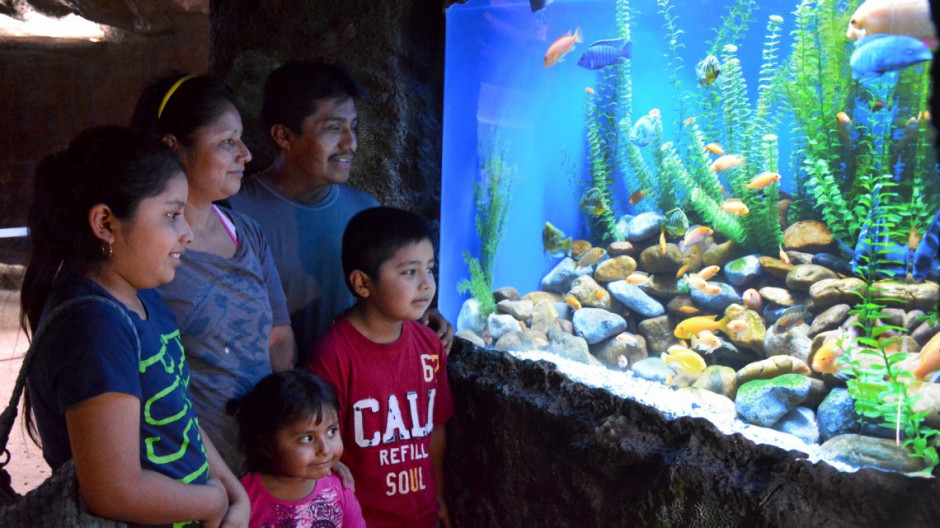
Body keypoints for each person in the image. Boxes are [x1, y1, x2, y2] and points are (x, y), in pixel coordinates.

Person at [20, 126, 249, 527]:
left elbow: (179, 410)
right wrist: (211, 504)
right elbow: (115, 491)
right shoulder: (93, 328)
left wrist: (232, 492)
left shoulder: (143, 297)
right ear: (105, 223)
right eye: (172, 214)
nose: (187, 234)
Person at [228, 60, 453, 364]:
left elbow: (380, 304)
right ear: (283, 136)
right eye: (334, 128)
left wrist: (420, 316)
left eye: (354, 128)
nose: (352, 143)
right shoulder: (234, 213)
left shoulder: (366, 212)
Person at [130, 73, 295, 473]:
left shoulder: (247, 233)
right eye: (226, 142)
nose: (246, 154)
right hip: (185, 469)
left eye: (240, 138)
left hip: (260, 463)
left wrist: (290, 425)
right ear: (172, 149)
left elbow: (278, 334)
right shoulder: (144, 253)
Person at [306, 206, 454, 528]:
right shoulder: (332, 355)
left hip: (422, 513)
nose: (427, 284)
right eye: (410, 272)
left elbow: (436, 428)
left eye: (430, 268)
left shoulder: (430, 346)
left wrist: (438, 494)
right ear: (362, 283)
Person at [228, 370, 366, 528]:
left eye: (331, 431)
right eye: (307, 438)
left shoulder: (339, 489)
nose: (325, 449)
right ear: (267, 446)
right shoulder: (242, 498)